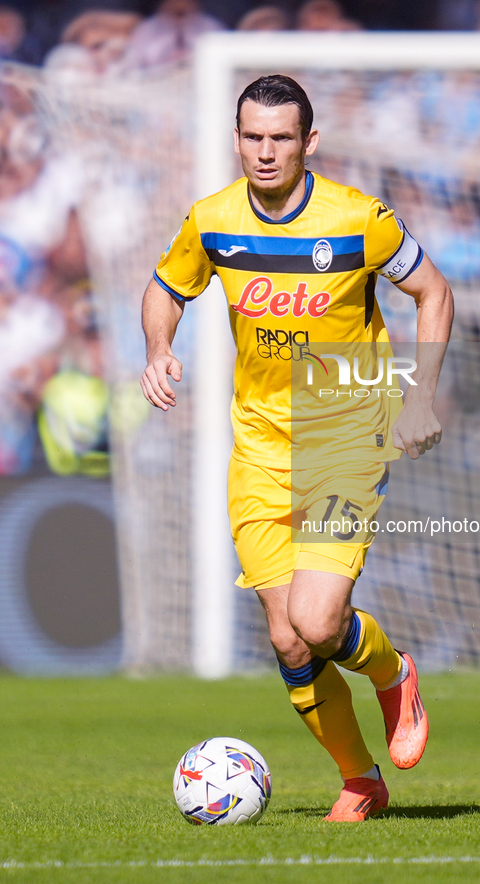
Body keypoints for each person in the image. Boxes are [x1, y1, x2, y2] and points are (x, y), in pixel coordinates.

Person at [141, 75, 453, 822]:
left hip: (344, 431)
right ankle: (359, 779)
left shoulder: (358, 220)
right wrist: (157, 347)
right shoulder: (212, 219)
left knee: (317, 622)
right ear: (237, 138)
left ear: (308, 142)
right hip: (257, 443)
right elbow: (167, 286)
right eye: (252, 137)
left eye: (281, 138)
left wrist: (420, 396)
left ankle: (393, 671)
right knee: (286, 640)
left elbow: (433, 293)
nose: (265, 152)